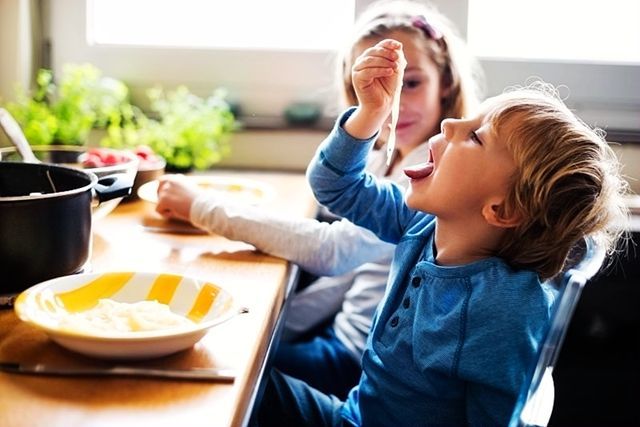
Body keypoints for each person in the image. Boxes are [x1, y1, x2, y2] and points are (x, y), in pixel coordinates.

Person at [255, 39, 629, 426]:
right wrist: (371, 113)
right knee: (246, 381)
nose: (449, 123)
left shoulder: (505, 312)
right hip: (355, 416)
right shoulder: (421, 225)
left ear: (502, 210)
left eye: (475, 136)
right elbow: (336, 186)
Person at [155, 0, 482, 399]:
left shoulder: (434, 181)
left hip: (360, 361)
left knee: (213, 373)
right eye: (376, 87)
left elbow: (333, 253)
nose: (395, 102)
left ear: (445, 81)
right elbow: (342, 280)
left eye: (410, 83)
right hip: (340, 336)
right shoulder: (384, 158)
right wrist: (269, 327)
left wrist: (203, 207)